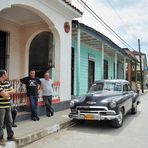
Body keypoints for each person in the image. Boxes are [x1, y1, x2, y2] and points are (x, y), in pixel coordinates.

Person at [0, 69, 17, 146]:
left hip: (8, 105)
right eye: (6, 73)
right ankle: (0, 138)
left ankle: (10, 136)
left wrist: (7, 92)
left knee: (9, 121)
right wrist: (9, 93)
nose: (7, 75)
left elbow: (14, 90)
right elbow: (5, 95)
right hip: (1, 107)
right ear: (3, 75)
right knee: (0, 123)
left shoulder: (7, 82)